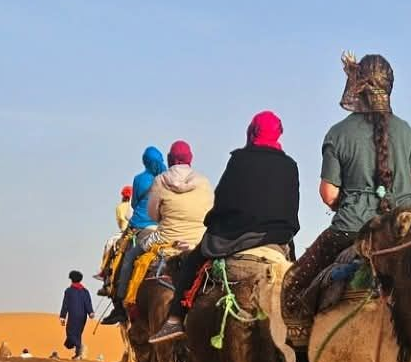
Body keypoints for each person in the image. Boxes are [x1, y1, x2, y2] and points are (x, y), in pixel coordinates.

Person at [278, 52, 411, 362]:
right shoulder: (406, 131)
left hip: (350, 231)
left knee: (294, 285)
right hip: (404, 233)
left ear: (356, 89)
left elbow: (328, 193)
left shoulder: (338, 133)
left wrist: (349, 203)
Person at [150, 111, 300, 343]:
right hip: (277, 239)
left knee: (192, 261)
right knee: (295, 275)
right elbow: (291, 210)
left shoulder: (240, 160)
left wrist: (214, 220)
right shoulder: (290, 166)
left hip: (233, 237)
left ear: (252, 132)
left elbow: (222, 201)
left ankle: (175, 320)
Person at [102, 146, 167, 325]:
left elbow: (136, 201)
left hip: (141, 227)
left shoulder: (139, 179)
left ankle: (119, 303)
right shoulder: (169, 179)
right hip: (164, 228)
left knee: (125, 257)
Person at [145, 140, 214, 249]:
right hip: (198, 241)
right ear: (190, 158)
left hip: (166, 239)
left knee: (137, 250)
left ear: (169, 158)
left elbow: (152, 214)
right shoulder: (204, 182)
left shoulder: (160, 180)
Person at [60, 270, 95, 359]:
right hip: (83, 316)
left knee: (70, 333)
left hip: (73, 316)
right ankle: (78, 354)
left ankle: (80, 347)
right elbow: (88, 303)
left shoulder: (69, 291)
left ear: (71, 279)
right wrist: (90, 312)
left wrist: (62, 316)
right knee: (78, 334)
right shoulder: (85, 291)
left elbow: (65, 304)